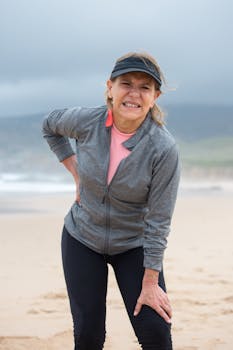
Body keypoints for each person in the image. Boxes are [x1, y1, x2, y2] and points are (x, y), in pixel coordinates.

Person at [42, 51, 180, 350]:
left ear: (155, 96)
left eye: (145, 87)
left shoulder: (162, 148)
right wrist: (74, 169)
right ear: (109, 87)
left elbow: (159, 221)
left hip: (134, 244)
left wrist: (150, 283)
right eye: (126, 83)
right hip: (82, 238)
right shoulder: (86, 122)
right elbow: (50, 125)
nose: (134, 93)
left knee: (156, 334)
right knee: (89, 335)